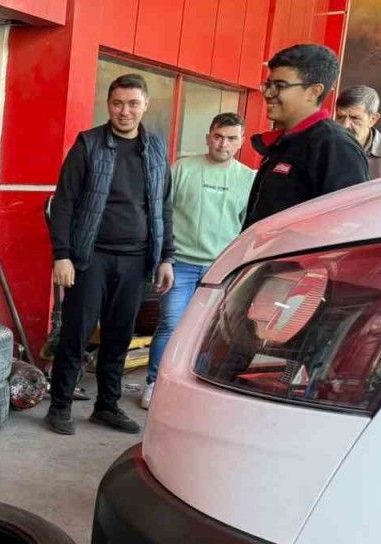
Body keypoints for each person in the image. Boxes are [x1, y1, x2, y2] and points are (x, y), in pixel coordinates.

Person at [45, 74, 174, 436]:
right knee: (76, 334)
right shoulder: (88, 144)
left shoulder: (156, 149)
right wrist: (62, 255)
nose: (125, 111)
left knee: (119, 337)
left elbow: (164, 206)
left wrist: (167, 256)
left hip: (136, 261)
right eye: (118, 103)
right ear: (108, 105)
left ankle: (107, 406)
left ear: (145, 105)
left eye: (133, 104)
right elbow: (64, 203)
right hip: (91, 258)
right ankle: (60, 405)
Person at [141, 113, 254, 409]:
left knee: (211, 332)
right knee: (170, 324)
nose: (223, 144)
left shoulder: (249, 179)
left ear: (241, 142)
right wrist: (164, 259)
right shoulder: (182, 169)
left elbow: (248, 226)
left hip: (222, 268)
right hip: (180, 263)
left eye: (231, 138)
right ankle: (155, 384)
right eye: (218, 136)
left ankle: (194, 387)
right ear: (208, 137)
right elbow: (161, 214)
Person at [243, 44, 368, 229]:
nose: (268, 93)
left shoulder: (336, 147)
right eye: (268, 85)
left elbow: (344, 228)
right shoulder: (283, 143)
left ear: (313, 91)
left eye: (280, 86)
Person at [334, 85, 381, 180]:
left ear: (372, 119)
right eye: (340, 117)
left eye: (354, 118)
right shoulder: (326, 149)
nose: (345, 125)